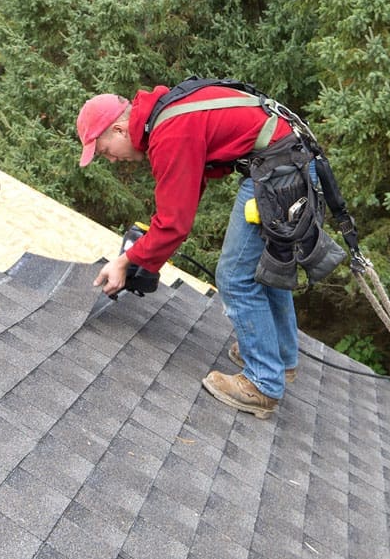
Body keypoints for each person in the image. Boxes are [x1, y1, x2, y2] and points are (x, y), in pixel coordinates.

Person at [77, 83, 301, 419]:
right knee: (259, 269)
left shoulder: (169, 130)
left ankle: (263, 382)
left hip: (277, 168)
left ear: (120, 128)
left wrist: (126, 261)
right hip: (288, 160)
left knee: (234, 276)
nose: (110, 159)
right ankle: (280, 359)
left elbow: (173, 226)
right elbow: (185, 197)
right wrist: (147, 255)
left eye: (105, 150)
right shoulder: (166, 116)